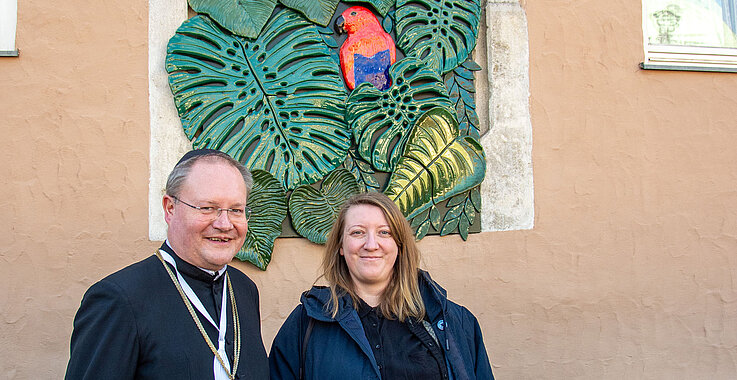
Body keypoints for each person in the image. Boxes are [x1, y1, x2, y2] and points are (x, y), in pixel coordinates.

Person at [65, 149, 269, 380]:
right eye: (208, 208)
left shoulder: (244, 289)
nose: (224, 224)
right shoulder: (120, 299)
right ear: (170, 208)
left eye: (236, 210)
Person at [269, 192, 494, 380]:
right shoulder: (305, 323)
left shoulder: (454, 321)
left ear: (399, 244)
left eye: (384, 232)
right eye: (357, 232)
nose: (371, 244)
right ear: (340, 245)